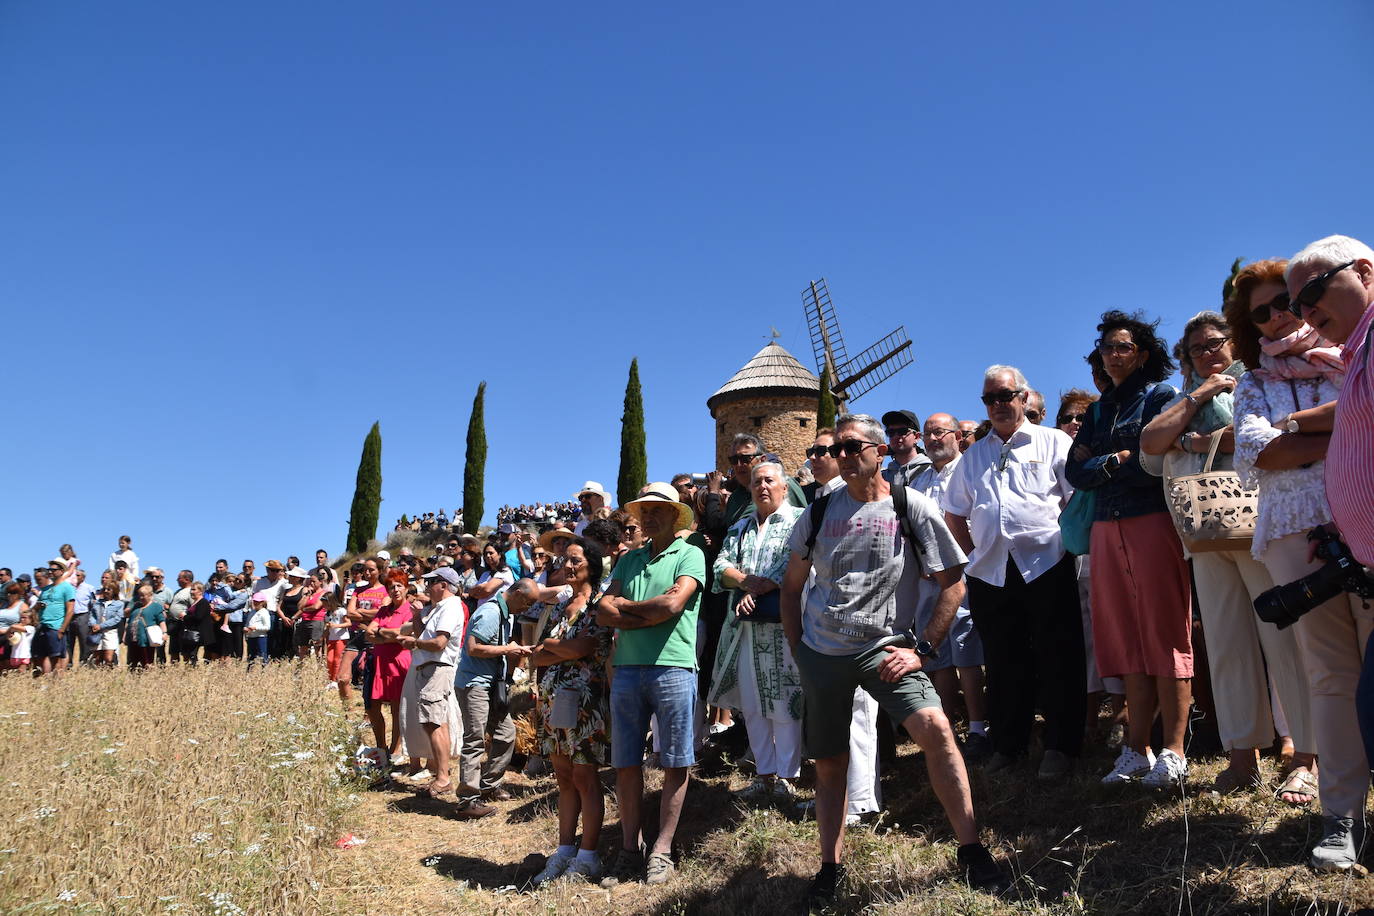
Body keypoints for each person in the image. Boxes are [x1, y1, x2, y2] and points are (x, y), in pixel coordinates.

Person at [780, 414, 1003, 905]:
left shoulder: (910, 505)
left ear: (879, 450)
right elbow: (792, 587)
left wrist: (922, 649)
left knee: (938, 731)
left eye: (851, 446)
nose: (842, 456)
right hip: (822, 652)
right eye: (835, 449)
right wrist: (799, 650)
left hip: (886, 650)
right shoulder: (816, 513)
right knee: (830, 762)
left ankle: (970, 850)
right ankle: (830, 867)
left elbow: (954, 584)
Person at [1230, 251, 1371, 869]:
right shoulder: (1252, 383)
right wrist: (1343, 426)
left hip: (1363, 528)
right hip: (1294, 536)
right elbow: (1261, 454)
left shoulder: (1354, 353)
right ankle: (1341, 815)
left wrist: (1300, 429)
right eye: (1259, 315)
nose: (1277, 318)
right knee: (1330, 677)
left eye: (1284, 302)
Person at [1141, 309, 1315, 799]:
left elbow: (1274, 435)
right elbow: (1151, 448)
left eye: (1215, 343)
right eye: (1195, 349)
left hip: (1261, 526)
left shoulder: (1256, 385)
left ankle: (1306, 754)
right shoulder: (1184, 398)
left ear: (1235, 343)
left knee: (1285, 639)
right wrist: (1201, 394)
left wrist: (1199, 438)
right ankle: (1243, 755)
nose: (1207, 353)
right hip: (1206, 533)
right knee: (1225, 642)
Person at [1066, 310, 1192, 788]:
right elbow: (1075, 473)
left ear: (1141, 354)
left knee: (1164, 632)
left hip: (1152, 521)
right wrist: (1117, 459)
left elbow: (1154, 461)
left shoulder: (1161, 395)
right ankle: (1135, 749)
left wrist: (1111, 461)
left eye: (1122, 347)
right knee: (1124, 638)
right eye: (1105, 348)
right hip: (1105, 526)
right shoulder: (1098, 410)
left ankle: (1174, 750)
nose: (1112, 355)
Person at [944, 371, 1084, 779]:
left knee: (1059, 656)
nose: (998, 404)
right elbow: (955, 513)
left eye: (1006, 395)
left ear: (1023, 397)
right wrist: (974, 556)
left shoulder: (1054, 441)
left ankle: (1061, 747)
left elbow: (1074, 501)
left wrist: (1065, 548)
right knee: (1003, 662)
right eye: (989, 399)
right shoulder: (972, 456)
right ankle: (1009, 746)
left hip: (1046, 564)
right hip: (991, 572)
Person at [594, 482, 706, 888]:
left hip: (673, 667)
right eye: (646, 509)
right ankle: (629, 848)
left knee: (676, 760)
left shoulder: (690, 553)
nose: (651, 515)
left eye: (660, 509)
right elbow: (604, 612)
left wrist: (626, 607)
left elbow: (674, 606)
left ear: (675, 516)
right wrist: (646, 611)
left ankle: (661, 850)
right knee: (625, 762)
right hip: (627, 668)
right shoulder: (629, 560)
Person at [709, 461, 805, 800]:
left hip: (782, 626)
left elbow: (795, 561)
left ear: (783, 486)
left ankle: (788, 776)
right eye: (756, 482)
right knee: (752, 705)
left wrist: (760, 588)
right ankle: (764, 773)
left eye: (769, 481)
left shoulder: (798, 521)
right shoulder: (740, 527)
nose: (762, 487)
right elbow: (721, 564)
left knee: (785, 701)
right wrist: (746, 582)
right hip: (742, 628)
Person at [529, 538, 615, 885]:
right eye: (565, 560)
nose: (566, 565)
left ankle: (589, 856)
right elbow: (537, 654)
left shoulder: (599, 604)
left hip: (585, 704)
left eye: (574, 560)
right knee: (563, 778)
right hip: (553, 702)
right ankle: (564, 850)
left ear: (591, 565)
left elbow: (586, 646)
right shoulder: (560, 604)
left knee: (584, 779)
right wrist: (557, 648)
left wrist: (554, 647)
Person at [909, 413, 989, 760]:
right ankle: (948, 727)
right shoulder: (919, 481)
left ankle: (977, 727)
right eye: (927, 434)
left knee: (967, 650)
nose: (932, 439)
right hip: (927, 578)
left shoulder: (970, 471)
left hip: (964, 574)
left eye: (939, 432)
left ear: (957, 435)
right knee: (935, 652)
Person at [455, 579, 534, 814]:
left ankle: (488, 786)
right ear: (518, 594)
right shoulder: (491, 612)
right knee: (475, 739)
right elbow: (473, 648)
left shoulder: (503, 612)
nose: (527, 609)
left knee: (506, 734)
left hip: (489, 685)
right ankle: (467, 801)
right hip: (474, 685)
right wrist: (508, 649)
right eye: (528, 603)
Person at [396, 567, 468, 799]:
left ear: (444, 584)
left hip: (438, 668)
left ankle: (443, 777)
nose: (427, 587)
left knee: (434, 723)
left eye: (432, 582)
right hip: (431, 668)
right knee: (436, 722)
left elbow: (439, 643)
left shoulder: (450, 607)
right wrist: (417, 620)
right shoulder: (441, 608)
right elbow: (426, 637)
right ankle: (442, 774)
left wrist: (414, 643)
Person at [365, 571, 414, 765]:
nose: (395, 590)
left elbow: (401, 634)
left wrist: (381, 633)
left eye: (399, 585)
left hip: (399, 663)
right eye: (392, 586)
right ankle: (381, 748)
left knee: (396, 709)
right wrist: (388, 636)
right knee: (373, 707)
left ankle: (396, 748)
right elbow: (368, 633)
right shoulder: (384, 610)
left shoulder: (410, 610)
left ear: (406, 588)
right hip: (380, 662)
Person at [31, 566, 75, 677]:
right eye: (49, 569)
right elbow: (35, 609)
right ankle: (44, 684)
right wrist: (37, 607)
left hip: (56, 627)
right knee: (38, 657)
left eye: (54, 570)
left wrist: (62, 629)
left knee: (56, 659)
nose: (50, 571)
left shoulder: (67, 587)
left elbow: (70, 610)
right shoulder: (45, 589)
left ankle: (56, 686)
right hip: (42, 626)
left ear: (61, 571)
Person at [880, 410, 933, 488]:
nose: (896, 436)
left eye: (902, 431)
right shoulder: (881, 477)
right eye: (891, 432)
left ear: (917, 437)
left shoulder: (931, 471)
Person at [125, 584, 166, 668]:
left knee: (146, 661)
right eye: (140, 595)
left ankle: (147, 677)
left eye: (143, 595)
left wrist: (164, 633)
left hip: (146, 639)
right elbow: (129, 621)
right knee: (132, 662)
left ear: (150, 595)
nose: (141, 598)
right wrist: (125, 635)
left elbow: (161, 621)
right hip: (133, 638)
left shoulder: (156, 606)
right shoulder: (136, 606)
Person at [88, 582, 125, 666]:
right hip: (97, 633)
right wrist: (93, 624)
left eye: (109, 589)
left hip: (110, 632)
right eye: (104, 589)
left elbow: (117, 618)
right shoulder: (97, 603)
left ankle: (109, 673)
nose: (106, 591)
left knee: (109, 657)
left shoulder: (119, 604)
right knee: (97, 657)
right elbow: (92, 615)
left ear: (114, 591)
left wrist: (101, 626)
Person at [244, 593, 272, 668]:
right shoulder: (252, 612)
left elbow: (267, 627)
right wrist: (246, 628)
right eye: (254, 601)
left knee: (262, 656)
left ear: (262, 602)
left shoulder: (264, 612)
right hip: (251, 637)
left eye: (258, 601)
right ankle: (249, 672)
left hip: (261, 637)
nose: (256, 603)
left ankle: (264, 671)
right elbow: (248, 623)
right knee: (251, 656)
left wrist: (256, 628)